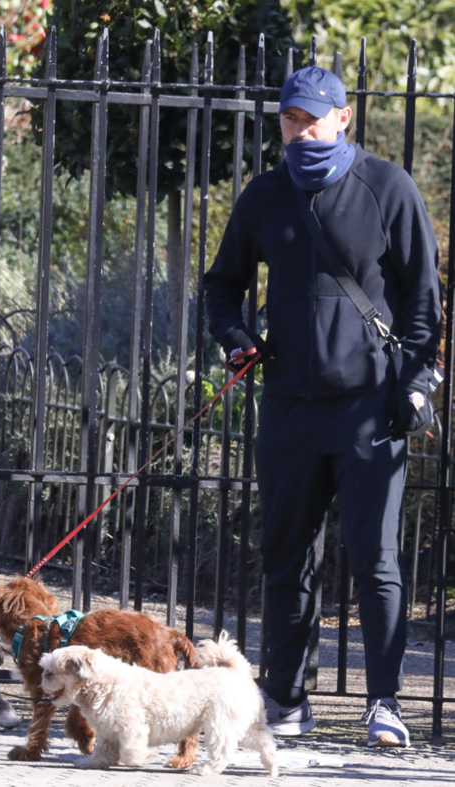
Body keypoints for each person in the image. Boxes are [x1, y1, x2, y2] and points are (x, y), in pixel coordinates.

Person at [204, 66, 442, 748]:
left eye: (314, 118)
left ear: (344, 119)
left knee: (376, 561)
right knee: (284, 557)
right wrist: (236, 339)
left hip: (370, 408)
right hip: (288, 407)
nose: (301, 130)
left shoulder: (388, 188)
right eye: (290, 119)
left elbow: (425, 304)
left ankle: (385, 702)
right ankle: (286, 699)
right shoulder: (265, 196)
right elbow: (222, 286)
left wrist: (416, 382)